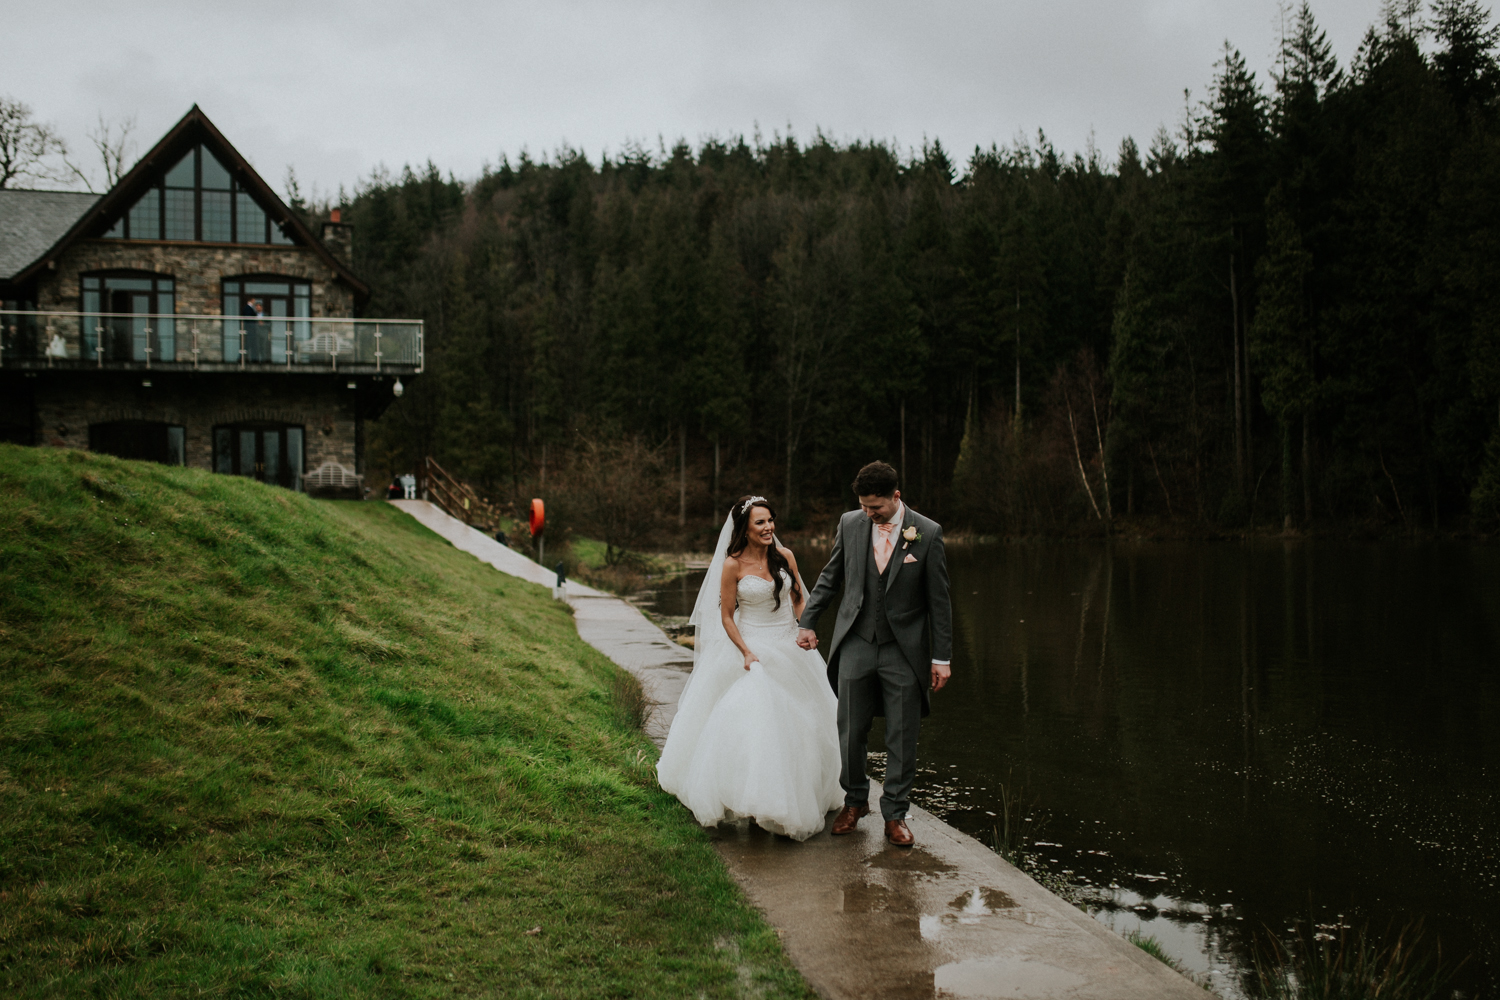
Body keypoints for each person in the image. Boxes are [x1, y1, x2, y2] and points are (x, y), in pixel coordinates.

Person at [657, 496, 842, 841]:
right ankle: (755, 799)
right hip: (753, 646)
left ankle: (803, 792)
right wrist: (745, 651)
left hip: (791, 645)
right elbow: (726, 615)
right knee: (760, 721)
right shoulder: (732, 565)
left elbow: (799, 597)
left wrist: (807, 627)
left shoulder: (785, 557)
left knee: (806, 721)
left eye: (771, 520)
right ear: (745, 528)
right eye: (760, 522)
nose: (769, 527)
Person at [796, 461, 952, 848]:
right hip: (856, 642)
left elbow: (940, 601)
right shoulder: (850, 524)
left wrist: (942, 657)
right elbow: (831, 577)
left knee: (903, 734)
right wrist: (808, 621)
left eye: (876, 508)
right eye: (864, 506)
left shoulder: (927, 533)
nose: (869, 514)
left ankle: (895, 814)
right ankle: (854, 802)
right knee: (850, 730)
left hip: (905, 649)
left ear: (895, 497)